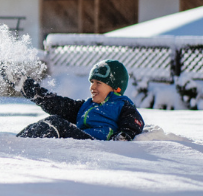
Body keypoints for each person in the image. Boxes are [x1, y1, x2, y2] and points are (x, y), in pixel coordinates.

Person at [11, 59, 144, 141]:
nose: (92, 87)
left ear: (116, 88)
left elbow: (135, 121)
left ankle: (23, 144)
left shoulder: (121, 104)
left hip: (96, 143)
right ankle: (20, 141)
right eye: (92, 82)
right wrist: (28, 88)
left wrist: (124, 135)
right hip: (82, 139)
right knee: (52, 120)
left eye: (99, 83)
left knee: (56, 123)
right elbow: (57, 104)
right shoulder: (86, 106)